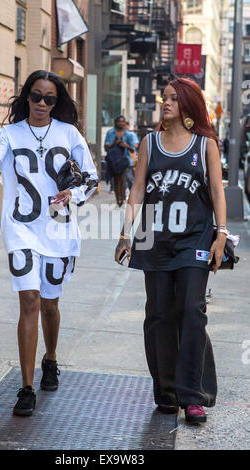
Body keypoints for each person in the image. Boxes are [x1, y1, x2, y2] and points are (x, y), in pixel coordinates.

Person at [0, 70, 98, 416]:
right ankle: (26, 387)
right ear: (26, 97)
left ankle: (51, 357)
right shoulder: (8, 134)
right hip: (20, 228)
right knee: (28, 299)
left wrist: (71, 193)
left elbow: (90, 180)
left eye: (49, 98)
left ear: (57, 102)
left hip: (58, 230)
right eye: (36, 96)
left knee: (49, 304)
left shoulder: (68, 133)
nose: (42, 103)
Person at [115, 77, 227, 424]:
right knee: (160, 315)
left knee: (192, 312)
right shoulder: (150, 143)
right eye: (164, 97)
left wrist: (220, 235)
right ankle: (166, 392)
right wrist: (125, 234)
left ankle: (193, 396)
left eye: (174, 99)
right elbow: (136, 190)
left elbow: (217, 191)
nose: (166, 103)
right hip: (154, 239)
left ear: (189, 105)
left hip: (194, 239)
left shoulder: (204, 144)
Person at [104, 115, 135, 206]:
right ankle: (118, 199)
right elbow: (106, 147)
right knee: (116, 180)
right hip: (113, 160)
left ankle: (122, 198)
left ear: (125, 123)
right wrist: (114, 143)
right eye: (119, 121)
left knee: (122, 179)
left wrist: (126, 145)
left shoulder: (129, 135)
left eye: (123, 121)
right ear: (115, 123)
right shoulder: (110, 133)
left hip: (124, 160)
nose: (121, 123)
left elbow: (132, 149)